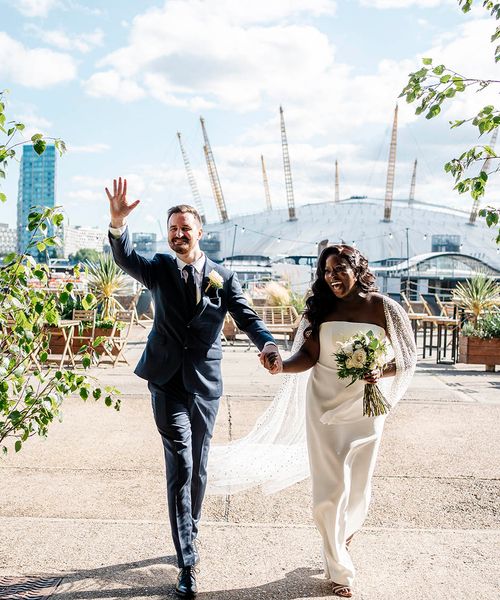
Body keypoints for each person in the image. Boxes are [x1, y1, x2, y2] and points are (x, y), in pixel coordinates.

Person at [105, 177, 282, 598]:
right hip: (166, 381)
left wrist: (269, 344)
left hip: (205, 385)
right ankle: (187, 561)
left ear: (199, 233)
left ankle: (191, 528)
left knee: (199, 468)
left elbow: (248, 316)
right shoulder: (160, 269)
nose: (178, 234)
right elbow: (125, 257)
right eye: (173, 228)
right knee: (181, 464)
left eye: (185, 228)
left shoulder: (222, 275)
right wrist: (117, 223)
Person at [265, 244, 417, 597]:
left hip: (367, 407)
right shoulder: (321, 308)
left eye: (339, 268)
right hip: (323, 404)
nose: (332, 276)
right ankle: (339, 570)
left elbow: (408, 356)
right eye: (326, 271)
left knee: (358, 486)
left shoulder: (384, 307)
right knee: (329, 491)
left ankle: (343, 534)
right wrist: (281, 366)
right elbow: (307, 355)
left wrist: (382, 368)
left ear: (357, 268)